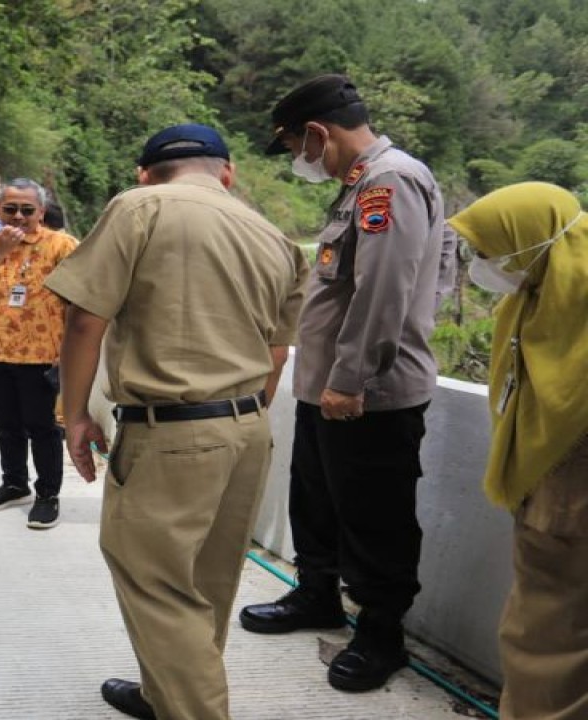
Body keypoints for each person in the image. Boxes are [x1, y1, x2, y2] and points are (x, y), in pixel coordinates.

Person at [47, 123, 308, 720]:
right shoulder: (275, 238)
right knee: (208, 578)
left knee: (156, 582)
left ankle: (190, 709)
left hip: (172, 430)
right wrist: (241, 420)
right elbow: (277, 354)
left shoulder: (139, 207)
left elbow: (84, 321)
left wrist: (74, 414)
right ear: (228, 172)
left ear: (144, 173)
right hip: (248, 429)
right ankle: (165, 694)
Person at [237, 74, 450, 693]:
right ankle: (317, 596)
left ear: (316, 133)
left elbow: (384, 290)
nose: (297, 159)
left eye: (293, 146)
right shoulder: (359, 184)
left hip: (365, 395)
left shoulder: (390, 181)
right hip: (326, 386)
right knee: (318, 500)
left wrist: (352, 378)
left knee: (374, 516)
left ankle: (381, 634)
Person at [448, 182, 588, 720]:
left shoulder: (574, 307)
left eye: (490, 252)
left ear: (533, 244)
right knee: (537, 636)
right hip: (545, 502)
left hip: (569, 508)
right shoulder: (538, 301)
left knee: (548, 647)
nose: (482, 265)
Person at [0, 178, 78, 529]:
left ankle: (47, 495)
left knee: (42, 427)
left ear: (41, 212)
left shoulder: (62, 246)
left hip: (42, 354)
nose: (19, 216)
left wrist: (69, 349)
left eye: (27, 210)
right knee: (6, 424)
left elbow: (79, 299)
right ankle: (14, 484)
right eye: (10, 209)